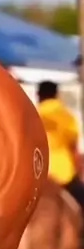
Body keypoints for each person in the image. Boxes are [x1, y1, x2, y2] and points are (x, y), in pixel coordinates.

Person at [37, 80, 84, 208]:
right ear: (56, 94)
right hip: (63, 174)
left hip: (37, 175)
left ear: (39, 95)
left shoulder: (31, 115)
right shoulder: (66, 116)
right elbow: (73, 147)